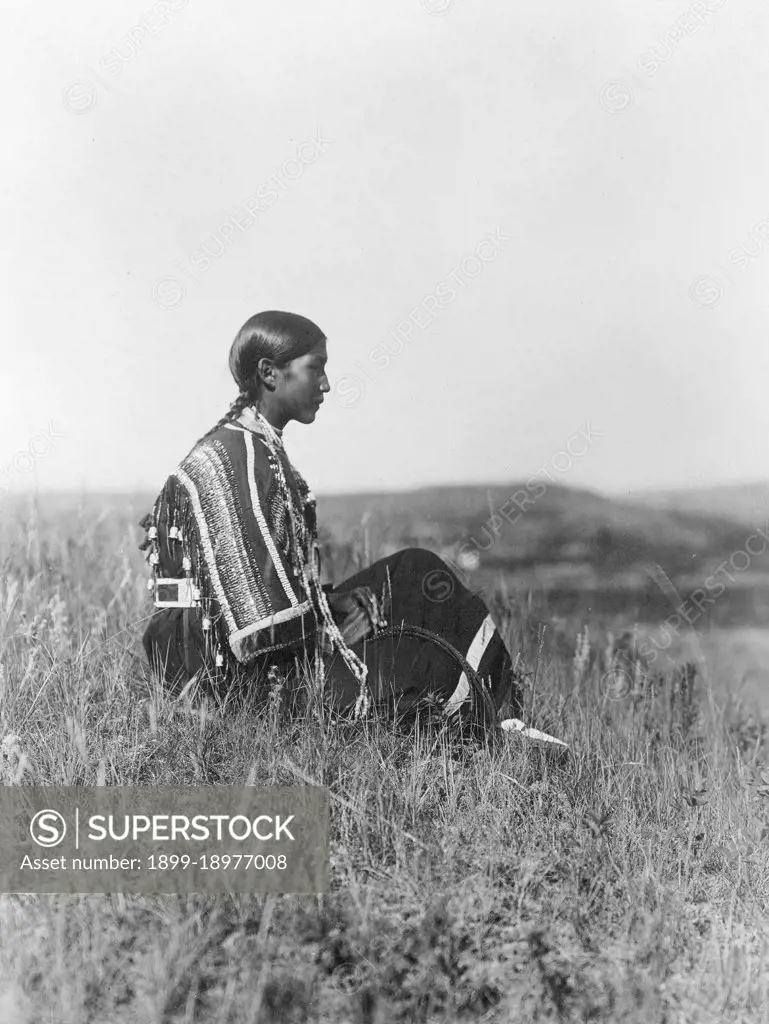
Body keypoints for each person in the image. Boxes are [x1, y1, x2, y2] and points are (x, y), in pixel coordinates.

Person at [139, 311, 566, 748]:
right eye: (316, 368)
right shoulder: (237, 460)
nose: (325, 385)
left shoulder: (252, 447)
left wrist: (332, 604)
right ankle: (488, 734)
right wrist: (330, 629)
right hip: (222, 677)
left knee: (415, 572)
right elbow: (258, 627)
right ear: (270, 373)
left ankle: (505, 718)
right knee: (420, 664)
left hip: (242, 644)